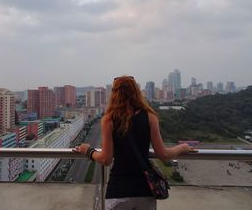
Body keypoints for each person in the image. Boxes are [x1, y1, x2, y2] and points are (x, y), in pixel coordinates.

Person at [74, 76, 194, 210]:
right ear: (136, 92)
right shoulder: (150, 116)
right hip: (145, 190)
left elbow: (106, 159)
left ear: (114, 94)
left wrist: (88, 150)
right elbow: (163, 154)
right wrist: (183, 147)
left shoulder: (109, 120)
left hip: (118, 190)